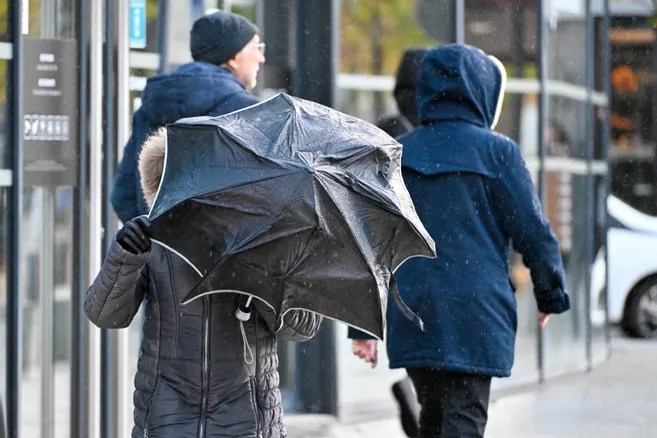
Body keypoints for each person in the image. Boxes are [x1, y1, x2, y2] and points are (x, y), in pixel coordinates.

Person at [349, 44, 571, 438]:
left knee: (433, 418)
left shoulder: (399, 152)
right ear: (482, 90)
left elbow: (370, 240)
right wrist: (550, 291)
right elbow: (533, 232)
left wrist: (361, 325)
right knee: (461, 420)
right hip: (475, 314)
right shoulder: (497, 152)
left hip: (415, 309)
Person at [85, 129, 322, 438]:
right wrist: (125, 256)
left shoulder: (267, 238)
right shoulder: (154, 241)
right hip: (167, 417)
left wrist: (264, 275)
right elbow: (104, 314)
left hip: (249, 419)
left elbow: (303, 327)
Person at [111, 10, 265, 224]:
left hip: (163, 253)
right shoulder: (248, 111)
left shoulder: (151, 105)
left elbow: (123, 195)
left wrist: (159, 236)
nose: (261, 57)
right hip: (224, 252)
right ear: (233, 56)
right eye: (257, 47)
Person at [375, 48, 428, 438]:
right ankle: (417, 401)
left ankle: (416, 397)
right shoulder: (415, 139)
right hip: (412, 260)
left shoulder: (383, 131)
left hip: (396, 261)